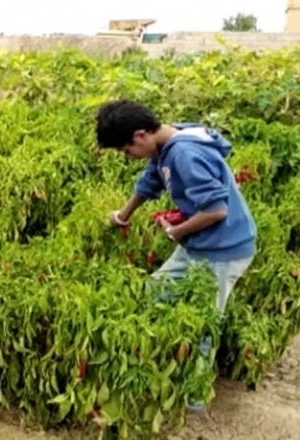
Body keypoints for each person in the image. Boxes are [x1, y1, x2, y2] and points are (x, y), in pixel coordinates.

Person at [95, 99, 256, 411]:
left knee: (203, 322)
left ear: (141, 135)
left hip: (224, 249)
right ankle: (156, 363)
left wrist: (175, 231)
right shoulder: (169, 140)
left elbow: (216, 210)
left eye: (127, 150)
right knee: (155, 293)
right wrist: (123, 216)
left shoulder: (184, 153)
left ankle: (194, 396)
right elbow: (151, 180)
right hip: (201, 243)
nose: (128, 157)